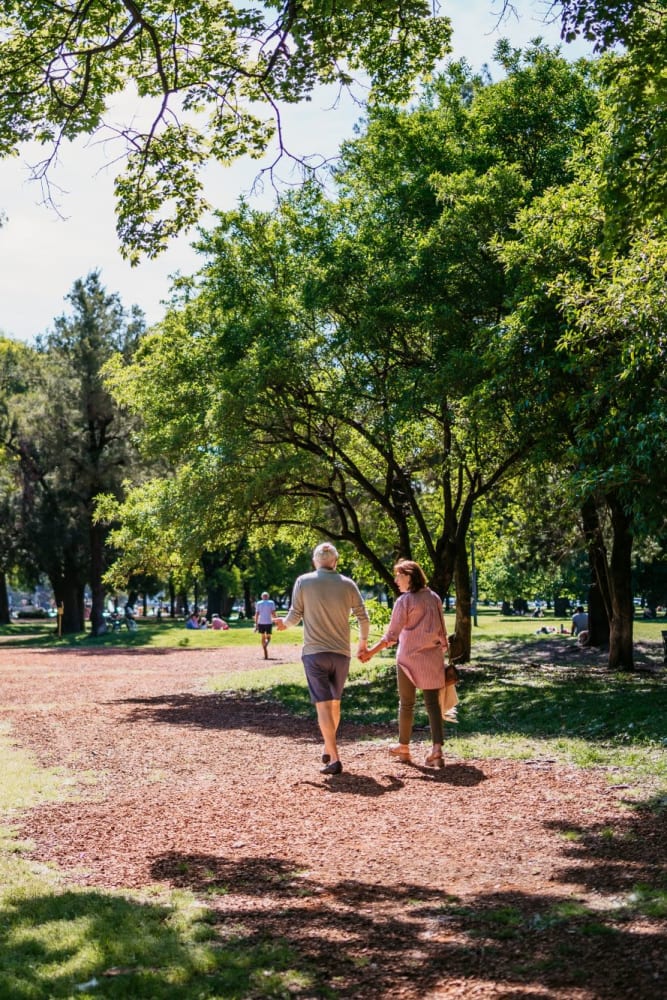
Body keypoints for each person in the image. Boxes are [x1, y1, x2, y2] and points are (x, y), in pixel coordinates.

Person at [276, 542, 369, 775]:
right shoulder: (348, 584)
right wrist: (363, 644)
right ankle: (329, 747)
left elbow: (295, 615)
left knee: (323, 706)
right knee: (335, 703)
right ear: (335, 561)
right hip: (341, 653)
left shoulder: (304, 581)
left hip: (314, 653)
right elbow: (363, 617)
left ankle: (334, 758)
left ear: (315, 561)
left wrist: (283, 625)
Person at [361, 559, 448, 768]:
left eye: (398, 575)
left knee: (406, 704)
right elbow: (443, 633)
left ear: (409, 576)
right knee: (433, 705)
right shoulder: (434, 598)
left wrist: (370, 652)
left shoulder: (404, 601)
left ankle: (404, 748)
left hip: (408, 659)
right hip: (432, 658)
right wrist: (440, 651)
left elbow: (391, 635)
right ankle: (437, 750)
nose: (395, 579)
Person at [254, 591, 276, 659]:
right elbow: (273, 613)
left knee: (263, 637)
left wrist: (256, 624)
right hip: (268, 622)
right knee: (268, 637)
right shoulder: (271, 602)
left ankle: (265, 653)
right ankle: (266, 645)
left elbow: (257, 614)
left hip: (261, 622)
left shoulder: (258, 603)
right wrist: (276, 620)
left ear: (262, 597)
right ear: (268, 596)